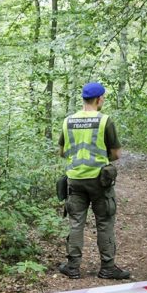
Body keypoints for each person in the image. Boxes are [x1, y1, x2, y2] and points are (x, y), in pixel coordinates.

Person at [57, 82, 130, 280]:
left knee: (76, 223)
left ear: (83, 98)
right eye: (103, 98)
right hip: (99, 180)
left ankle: (72, 267)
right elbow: (116, 153)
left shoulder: (68, 121)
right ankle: (107, 267)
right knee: (105, 221)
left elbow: (62, 151)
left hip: (75, 180)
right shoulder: (105, 121)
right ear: (99, 99)